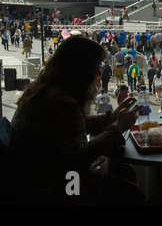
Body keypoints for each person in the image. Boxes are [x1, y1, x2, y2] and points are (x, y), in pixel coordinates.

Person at [7, 36, 145, 205]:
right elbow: (80, 159)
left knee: (124, 171)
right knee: (132, 192)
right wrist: (117, 128)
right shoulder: (60, 102)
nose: (98, 73)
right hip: (50, 188)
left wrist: (112, 117)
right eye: (96, 67)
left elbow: (75, 126)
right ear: (81, 70)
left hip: (38, 178)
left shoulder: (48, 93)